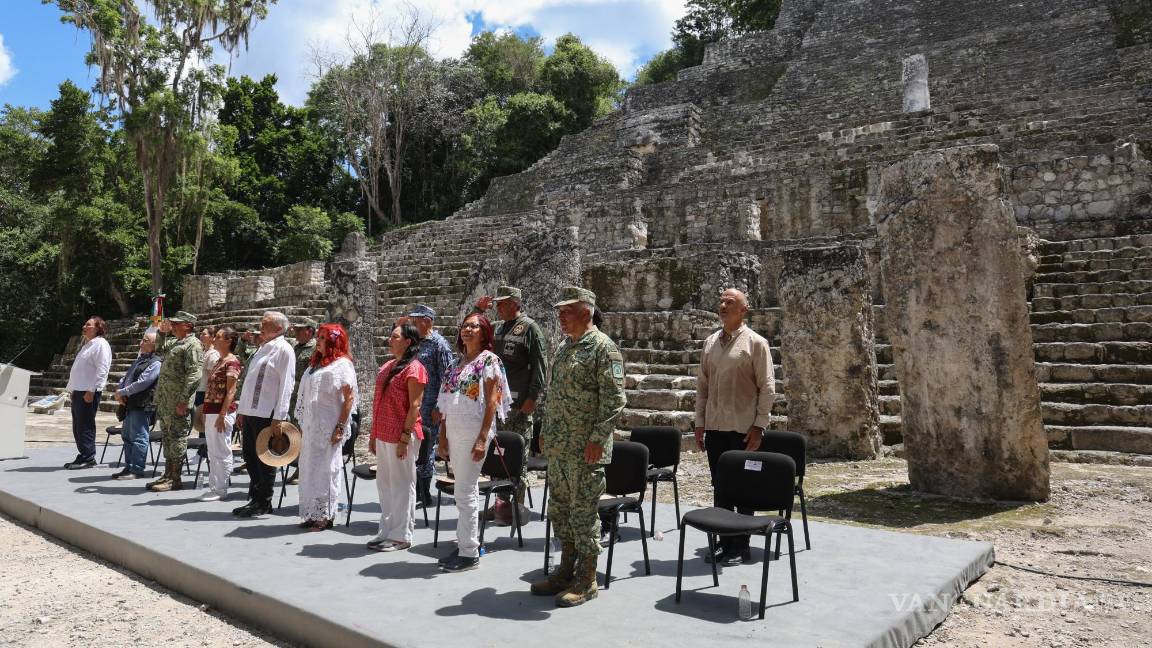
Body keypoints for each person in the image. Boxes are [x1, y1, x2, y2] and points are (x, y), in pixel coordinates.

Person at [530, 287, 627, 608]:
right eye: (559, 311)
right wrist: (544, 430)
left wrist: (598, 439)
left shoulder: (603, 349)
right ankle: (565, 571)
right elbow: (554, 395)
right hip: (560, 447)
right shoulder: (564, 347)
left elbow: (614, 400)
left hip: (587, 449)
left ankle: (587, 579)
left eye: (566, 311)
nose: (560, 316)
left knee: (584, 513)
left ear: (586, 312)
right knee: (560, 509)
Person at [694, 288, 775, 566]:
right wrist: (700, 422)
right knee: (721, 487)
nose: (723, 305)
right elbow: (702, 387)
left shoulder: (756, 344)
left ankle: (741, 543)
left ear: (743, 310)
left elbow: (767, 387)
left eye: (730, 302)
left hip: (743, 429)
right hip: (716, 427)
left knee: (743, 488)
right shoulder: (710, 343)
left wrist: (759, 425)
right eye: (721, 302)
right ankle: (723, 541)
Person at [435, 313, 512, 572]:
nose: (467, 329)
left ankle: (469, 553)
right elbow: (445, 405)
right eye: (465, 326)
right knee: (461, 490)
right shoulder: (456, 364)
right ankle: (465, 544)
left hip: (474, 432)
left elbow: (492, 401)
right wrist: (442, 437)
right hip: (455, 431)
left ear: (484, 332)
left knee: (466, 491)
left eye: (474, 326)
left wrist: (482, 437)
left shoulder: (489, 361)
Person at [473, 286, 548, 524]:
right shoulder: (496, 328)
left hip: (518, 404)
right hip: (496, 405)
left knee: (517, 458)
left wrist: (533, 397)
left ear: (516, 303)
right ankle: (498, 506)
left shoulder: (530, 328)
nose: (499, 307)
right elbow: (470, 336)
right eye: (497, 304)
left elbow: (540, 365)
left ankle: (516, 508)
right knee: (496, 456)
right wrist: (477, 311)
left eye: (504, 303)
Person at [367, 323, 427, 552]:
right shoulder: (388, 366)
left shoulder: (415, 368)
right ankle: (387, 529)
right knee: (385, 484)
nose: (389, 340)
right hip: (383, 433)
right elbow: (378, 403)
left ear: (408, 341)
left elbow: (415, 405)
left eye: (394, 337)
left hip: (402, 435)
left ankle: (401, 534)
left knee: (402, 485)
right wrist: (373, 434)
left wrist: (404, 438)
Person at [233, 311, 296, 517]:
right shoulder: (261, 349)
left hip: (267, 413)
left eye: (266, 324)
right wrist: (242, 411)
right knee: (250, 456)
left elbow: (287, 385)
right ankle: (255, 498)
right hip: (252, 411)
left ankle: (264, 501)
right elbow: (250, 383)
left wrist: (280, 416)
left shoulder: (284, 350)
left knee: (265, 457)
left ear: (278, 328)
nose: (261, 326)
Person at [294, 323, 357, 531]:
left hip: (330, 425)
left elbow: (349, 398)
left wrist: (340, 426)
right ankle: (312, 512)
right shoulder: (316, 364)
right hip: (312, 426)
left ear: (333, 341)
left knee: (327, 469)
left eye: (322, 338)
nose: (318, 341)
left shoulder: (342, 364)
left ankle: (325, 515)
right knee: (309, 468)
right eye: (319, 337)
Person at [148, 312, 203, 492]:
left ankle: (176, 479)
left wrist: (184, 400)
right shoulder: (176, 342)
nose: (173, 326)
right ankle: (168, 474)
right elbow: (159, 349)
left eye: (176, 324)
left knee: (178, 438)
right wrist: (162, 333)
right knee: (167, 437)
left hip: (178, 401)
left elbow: (194, 375)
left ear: (188, 325)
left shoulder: (193, 345)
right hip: (166, 401)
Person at [407, 304, 456, 508]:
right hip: (415, 405)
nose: (412, 324)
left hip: (431, 407)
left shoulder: (439, 345)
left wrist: (441, 407)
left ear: (427, 321)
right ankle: (415, 488)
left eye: (416, 320)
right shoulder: (415, 343)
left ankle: (424, 493)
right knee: (416, 447)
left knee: (426, 449)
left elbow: (449, 378)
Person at [199, 326, 242, 502]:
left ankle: (221, 488)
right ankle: (214, 486)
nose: (214, 339)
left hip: (221, 412)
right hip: (212, 410)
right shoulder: (220, 360)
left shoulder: (232, 362)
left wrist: (222, 414)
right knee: (212, 450)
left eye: (218, 337)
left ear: (228, 341)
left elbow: (231, 391)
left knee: (221, 450)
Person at [64, 316, 113, 469]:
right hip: (79, 390)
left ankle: (88, 457)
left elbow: (102, 369)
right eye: (84, 324)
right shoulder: (87, 345)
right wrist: (73, 389)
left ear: (98, 328)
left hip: (88, 391)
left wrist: (92, 390)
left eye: (88, 325)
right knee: (78, 425)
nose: (84, 326)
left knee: (85, 425)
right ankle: (83, 454)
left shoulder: (101, 345)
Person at [111, 331, 161, 480]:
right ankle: (128, 467)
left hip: (142, 404)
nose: (141, 342)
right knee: (127, 436)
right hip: (130, 403)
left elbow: (143, 383)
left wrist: (122, 392)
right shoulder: (140, 359)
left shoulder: (156, 362)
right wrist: (120, 391)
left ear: (153, 345)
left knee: (139, 437)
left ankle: (137, 469)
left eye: (145, 340)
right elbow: (127, 377)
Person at [286, 317, 318, 485]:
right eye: (296, 330)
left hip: (305, 396)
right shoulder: (295, 348)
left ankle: (302, 470)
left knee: (304, 434)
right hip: (292, 398)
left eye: (300, 330)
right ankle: (298, 464)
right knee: (295, 432)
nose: (296, 333)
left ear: (309, 331)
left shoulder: (314, 349)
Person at [195, 327, 219, 408]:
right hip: (198, 390)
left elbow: (211, 377)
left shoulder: (213, 354)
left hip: (204, 392)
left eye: (204, 334)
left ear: (212, 337)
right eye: (201, 333)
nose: (201, 335)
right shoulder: (204, 352)